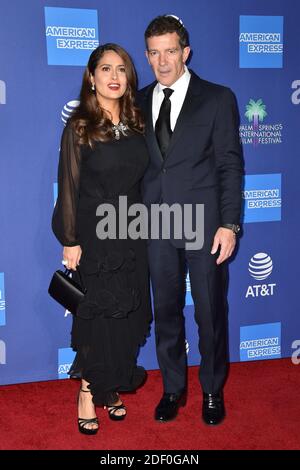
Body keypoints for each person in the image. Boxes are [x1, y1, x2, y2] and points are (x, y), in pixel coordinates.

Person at [138, 15, 243, 425]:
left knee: (209, 312)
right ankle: (173, 388)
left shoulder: (217, 98)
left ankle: (213, 391)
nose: (162, 61)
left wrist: (230, 224)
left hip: (205, 224)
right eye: (154, 53)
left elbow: (230, 165)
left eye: (170, 51)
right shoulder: (138, 100)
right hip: (157, 223)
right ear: (147, 56)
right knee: (165, 311)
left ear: (186, 52)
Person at [52, 43, 152, 435]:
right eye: (105, 69)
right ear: (91, 77)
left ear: (129, 77)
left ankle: (111, 386)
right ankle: (88, 392)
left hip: (133, 230)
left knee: (126, 315)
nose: (114, 77)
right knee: (98, 316)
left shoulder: (137, 122)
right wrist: (70, 238)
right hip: (95, 233)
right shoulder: (80, 125)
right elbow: (69, 184)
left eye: (121, 69)